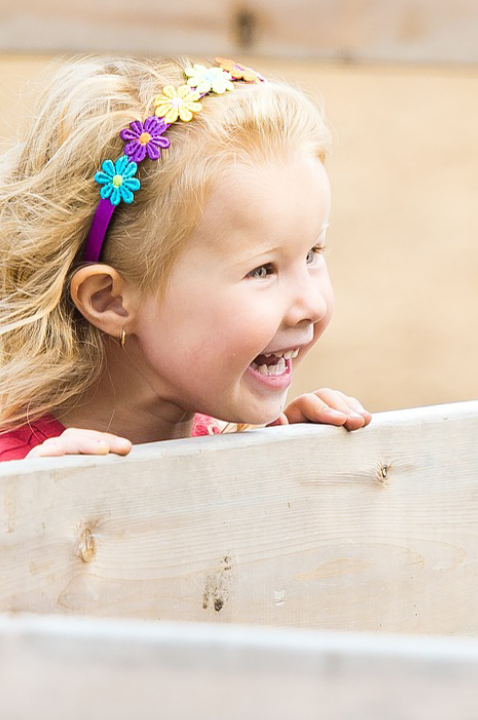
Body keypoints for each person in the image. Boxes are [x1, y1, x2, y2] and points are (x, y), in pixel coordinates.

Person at [0, 56, 371, 461]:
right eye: (262, 270)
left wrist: (284, 477)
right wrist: (31, 511)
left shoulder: (231, 443)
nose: (312, 306)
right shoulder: (18, 471)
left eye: (313, 253)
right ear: (110, 299)